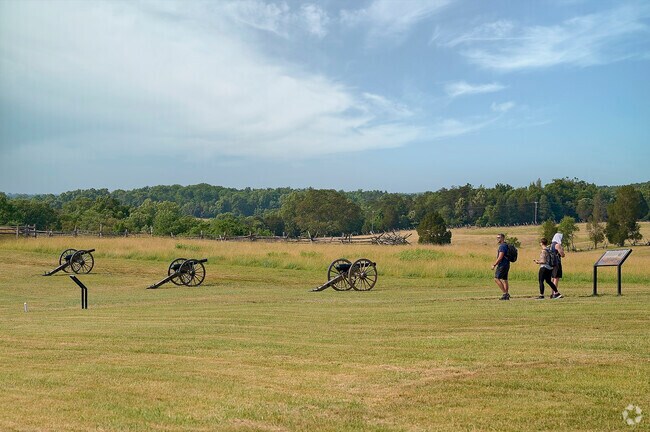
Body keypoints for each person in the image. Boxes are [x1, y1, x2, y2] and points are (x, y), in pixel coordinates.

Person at [491, 233, 510, 300]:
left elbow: (500, 257)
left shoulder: (502, 246)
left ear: (502, 238)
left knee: (496, 278)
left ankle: (505, 293)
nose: (498, 239)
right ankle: (506, 294)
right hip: (507, 264)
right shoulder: (506, 245)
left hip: (502, 265)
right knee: (505, 280)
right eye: (497, 237)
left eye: (499, 237)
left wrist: (494, 264)